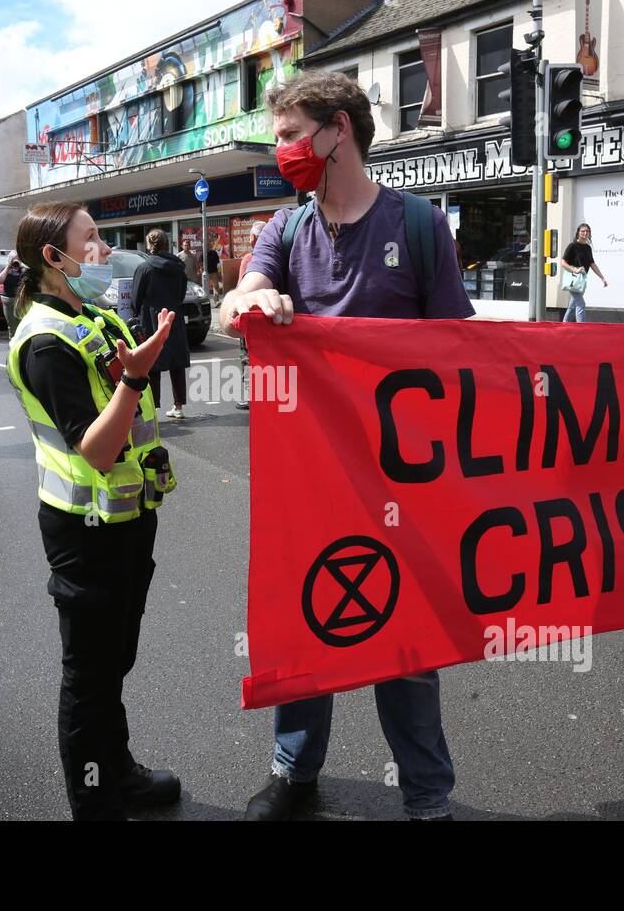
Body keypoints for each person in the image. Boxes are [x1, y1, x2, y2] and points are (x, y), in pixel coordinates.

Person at [220, 70, 475, 821]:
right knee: (308, 621)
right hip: (309, 478)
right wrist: (251, 298)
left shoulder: (420, 226)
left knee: (410, 639)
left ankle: (428, 796)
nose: (283, 149)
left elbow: (458, 349)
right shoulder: (285, 228)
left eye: (293, 134)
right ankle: (293, 772)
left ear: (339, 129)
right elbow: (242, 292)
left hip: (404, 479)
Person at [6, 201, 181, 820]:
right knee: (89, 674)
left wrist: (141, 363)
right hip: (85, 531)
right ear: (54, 259)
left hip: (128, 518)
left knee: (114, 661)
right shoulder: (44, 341)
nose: (104, 251)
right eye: (92, 240)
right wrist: (136, 380)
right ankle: (96, 800)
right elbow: (99, 449)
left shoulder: (95, 316)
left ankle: (119, 771)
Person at [133, 229, 190, 419]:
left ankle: (154, 407)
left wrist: (136, 312)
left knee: (152, 361)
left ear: (150, 245)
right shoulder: (178, 267)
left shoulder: (144, 268)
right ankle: (179, 405)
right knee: (176, 362)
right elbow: (182, 294)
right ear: (167, 244)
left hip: (151, 317)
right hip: (174, 315)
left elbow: (136, 298)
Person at [234, 221, 266, 411]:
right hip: (270, 317)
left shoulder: (250, 258)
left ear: (253, 239)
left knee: (247, 357)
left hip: (251, 317)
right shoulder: (279, 256)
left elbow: (241, 289)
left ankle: (249, 396)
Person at [559, 223, 608, 321]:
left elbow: (592, 264)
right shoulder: (572, 246)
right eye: (583, 231)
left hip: (581, 280)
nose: (585, 233)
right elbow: (563, 262)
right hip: (573, 279)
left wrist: (602, 277)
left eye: (587, 231)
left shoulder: (588, 248)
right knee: (581, 304)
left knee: (573, 306)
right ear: (578, 233)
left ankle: (564, 325)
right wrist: (574, 269)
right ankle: (582, 328)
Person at [0, 250, 25, 336]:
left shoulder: (23, 270)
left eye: (18, 259)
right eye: (14, 259)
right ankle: (13, 345)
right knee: (12, 327)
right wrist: (8, 266)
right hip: (8, 301)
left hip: (21, 301)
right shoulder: (6, 270)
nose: (16, 261)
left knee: (22, 325)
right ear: (10, 260)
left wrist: (22, 265)